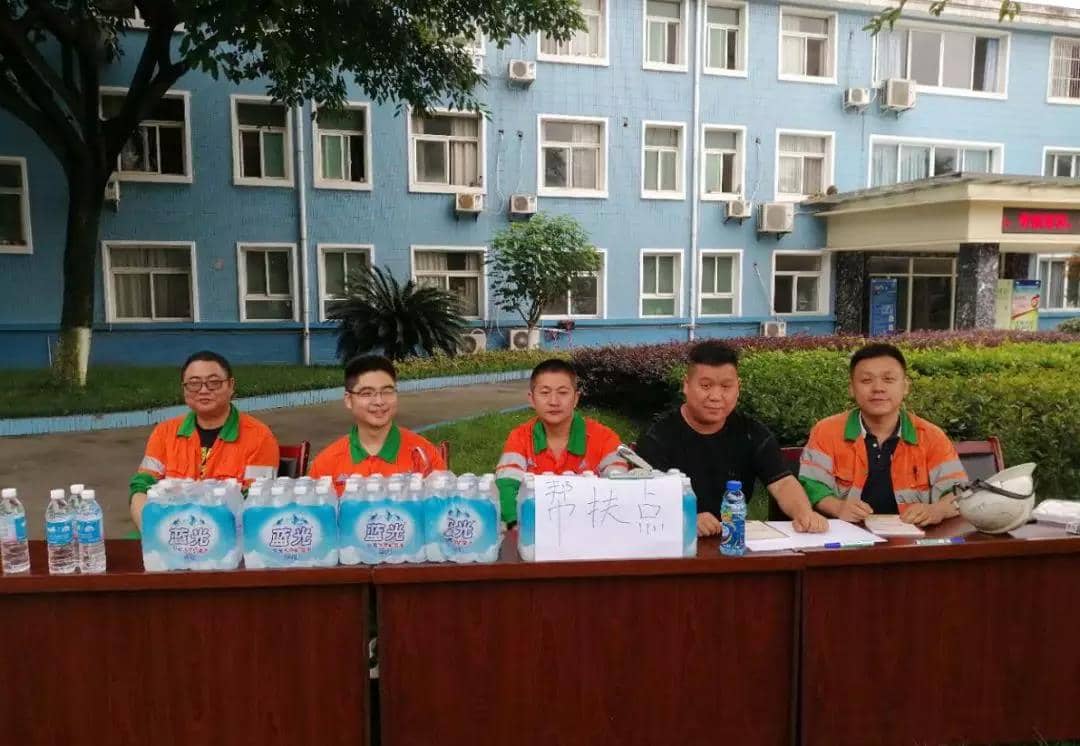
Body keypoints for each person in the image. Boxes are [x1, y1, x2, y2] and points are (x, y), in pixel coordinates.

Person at [636, 341, 827, 536]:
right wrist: (686, 518)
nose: (716, 396)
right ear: (686, 385)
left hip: (733, 538)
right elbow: (647, 499)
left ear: (738, 387)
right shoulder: (657, 437)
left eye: (726, 386)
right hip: (676, 540)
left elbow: (782, 482)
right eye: (705, 386)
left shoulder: (752, 432)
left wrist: (804, 513)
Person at [799, 343, 967, 527]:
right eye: (866, 380)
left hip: (913, 537)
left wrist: (937, 510)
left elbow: (958, 492)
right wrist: (838, 507)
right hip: (847, 536)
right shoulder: (826, 431)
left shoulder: (931, 436)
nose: (878, 388)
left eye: (888, 379)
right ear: (851, 388)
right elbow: (812, 485)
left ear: (905, 386)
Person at [129, 351, 280, 531]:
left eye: (214, 382)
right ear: (184, 389)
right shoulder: (164, 433)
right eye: (194, 383)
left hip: (229, 537)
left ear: (231, 385)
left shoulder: (259, 437)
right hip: (169, 532)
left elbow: (257, 503)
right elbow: (142, 487)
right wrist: (150, 532)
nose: (203, 390)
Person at [495, 358, 627, 524]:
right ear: (532, 399)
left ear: (576, 398)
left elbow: (620, 488)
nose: (554, 401)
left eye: (563, 393)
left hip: (589, 526)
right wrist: (515, 525)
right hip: (534, 527)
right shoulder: (519, 437)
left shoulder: (605, 438)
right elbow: (507, 486)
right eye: (545, 393)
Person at [308, 354, 445, 491]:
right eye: (367, 393)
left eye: (387, 391)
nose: (379, 401)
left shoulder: (425, 456)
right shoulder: (326, 464)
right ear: (348, 400)